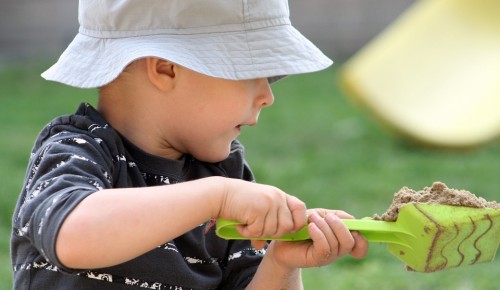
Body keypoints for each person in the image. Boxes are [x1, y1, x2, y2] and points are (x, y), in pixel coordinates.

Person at [11, 0, 368, 289]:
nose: (268, 96)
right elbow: (72, 237)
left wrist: (281, 262)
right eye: (252, 72)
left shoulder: (226, 175)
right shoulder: (77, 150)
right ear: (166, 69)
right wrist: (215, 197)